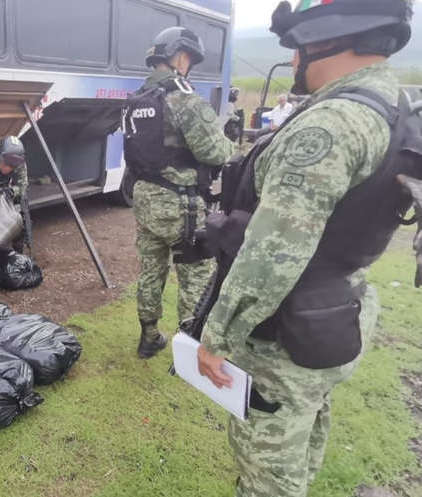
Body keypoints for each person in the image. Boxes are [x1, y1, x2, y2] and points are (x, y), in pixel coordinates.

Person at [196, 1, 413, 496]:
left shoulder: (330, 125)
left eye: (297, 47)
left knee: (267, 471)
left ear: (326, 41)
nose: (293, 60)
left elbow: (273, 254)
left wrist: (217, 339)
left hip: (288, 331)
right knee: (303, 430)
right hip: (335, 310)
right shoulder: (391, 106)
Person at [122, 26, 234, 359]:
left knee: (151, 270)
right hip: (179, 206)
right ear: (181, 57)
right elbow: (215, 152)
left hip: (144, 199)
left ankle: (149, 337)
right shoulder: (183, 98)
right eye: (190, 60)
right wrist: (232, 147)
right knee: (195, 273)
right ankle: (191, 348)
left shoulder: (136, 100)